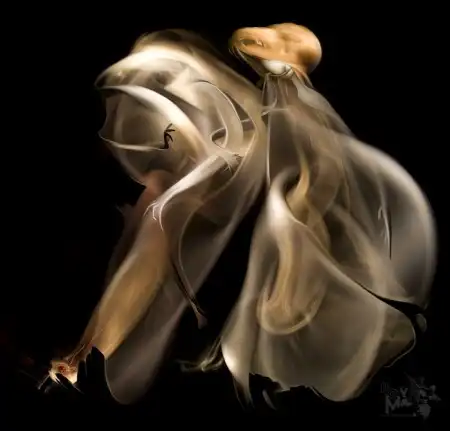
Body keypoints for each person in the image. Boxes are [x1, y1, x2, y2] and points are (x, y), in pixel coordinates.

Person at [48, 24, 436, 405]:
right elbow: (144, 264)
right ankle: (88, 356)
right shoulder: (178, 181)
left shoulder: (272, 126)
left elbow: (295, 74)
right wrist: (87, 350)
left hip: (269, 201)